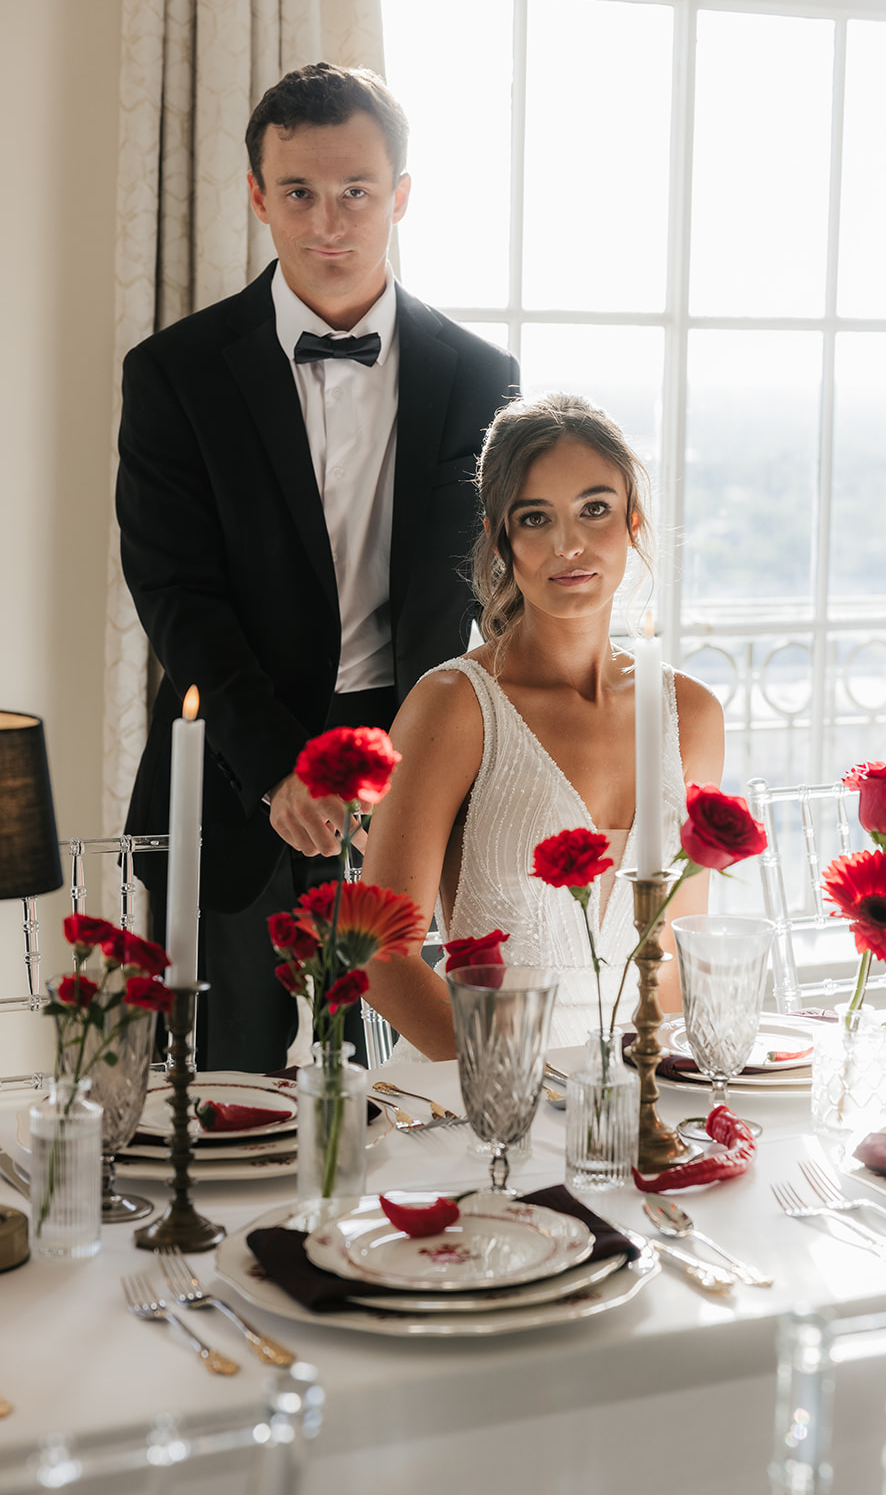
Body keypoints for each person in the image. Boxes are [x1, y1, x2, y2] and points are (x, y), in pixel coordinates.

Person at [116, 63, 519, 1070]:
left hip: (411, 776)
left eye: (356, 192)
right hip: (231, 779)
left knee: (408, 1090)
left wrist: (406, 767)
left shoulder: (479, 376)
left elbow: (468, 592)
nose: (327, 221)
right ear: (257, 195)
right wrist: (278, 768)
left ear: (400, 197)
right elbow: (177, 596)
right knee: (220, 1104)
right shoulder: (173, 373)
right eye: (297, 192)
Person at [359, 393, 725, 1060]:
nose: (569, 544)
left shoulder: (690, 715)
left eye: (594, 509)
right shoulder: (455, 705)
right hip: (479, 1092)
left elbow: (675, 954)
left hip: (638, 1094)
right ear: (502, 538)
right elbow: (379, 958)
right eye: (536, 518)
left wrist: (668, 1102)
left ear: (631, 523)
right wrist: (501, 1082)